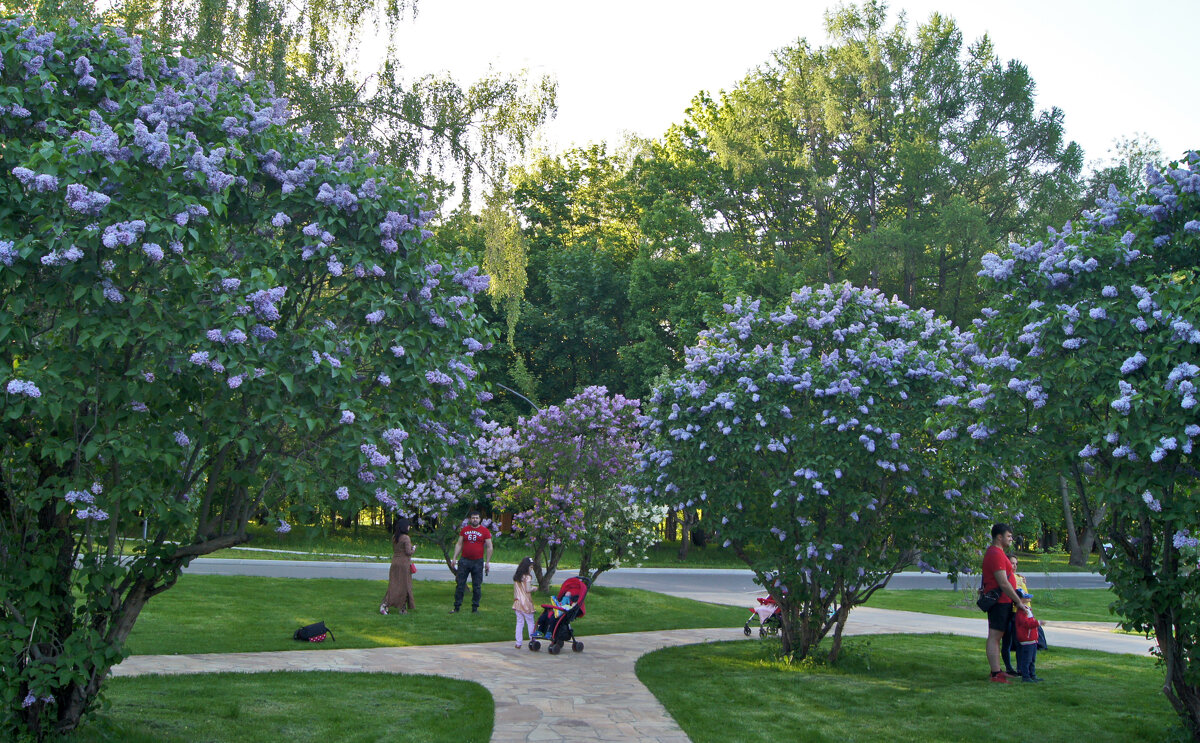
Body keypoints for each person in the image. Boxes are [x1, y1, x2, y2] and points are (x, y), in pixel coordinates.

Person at [982, 523, 1029, 683]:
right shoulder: (995, 553)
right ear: (999, 537)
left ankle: (998, 671)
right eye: (1009, 536)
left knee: (998, 636)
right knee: (995, 636)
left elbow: (1008, 576)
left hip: (1005, 601)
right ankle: (996, 674)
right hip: (999, 601)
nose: (1011, 539)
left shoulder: (1000, 553)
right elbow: (1003, 582)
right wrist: (1018, 601)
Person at [450, 510, 492, 613]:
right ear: (470, 519)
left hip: (477, 562)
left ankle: (475, 608)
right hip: (464, 561)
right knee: (460, 584)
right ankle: (457, 607)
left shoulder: (485, 531)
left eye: (477, 518)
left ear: (480, 519)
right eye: (473, 518)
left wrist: (487, 562)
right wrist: (454, 557)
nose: (475, 519)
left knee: (477, 586)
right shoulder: (464, 530)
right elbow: (459, 544)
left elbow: (489, 547)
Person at [380, 516, 415, 615]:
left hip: (395, 562)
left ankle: (390, 605)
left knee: (394, 584)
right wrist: (414, 549)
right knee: (405, 585)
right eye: (408, 526)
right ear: (405, 527)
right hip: (404, 564)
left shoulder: (394, 537)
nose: (409, 528)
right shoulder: (406, 538)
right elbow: (408, 552)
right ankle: (398, 607)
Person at [999, 555, 1027, 676]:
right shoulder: (1004, 578)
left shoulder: (1020, 579)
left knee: (1019, 641)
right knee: (1007, 641)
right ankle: (1009, 667)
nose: (1014, 566)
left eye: (1016, 564)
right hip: (1008, 612)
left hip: (1019, 614)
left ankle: (1020, 667)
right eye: (1012, 563)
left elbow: (1026, 597)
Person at [1014, 604, 1044, 682]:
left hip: (1032, 639)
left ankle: (1032, 675)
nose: (1029, 599)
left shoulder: (1027, 609)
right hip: (1027, 640)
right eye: (1026, 597)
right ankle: (1026, 676)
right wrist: (1038, 623)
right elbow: (1026, 624)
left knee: (1032, 659)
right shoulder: (1022, 611)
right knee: (1027, 660)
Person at [512, 557, 536, 649]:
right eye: (531, 567)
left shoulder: (517, 576)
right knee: (530, 621)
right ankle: (532, 639)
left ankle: (518, 642)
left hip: (517, 601)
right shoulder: (527, 577)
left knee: (519, 622)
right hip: (526, 603)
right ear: (527, 567)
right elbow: (528, 589)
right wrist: (534, 588)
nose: (532, 569)